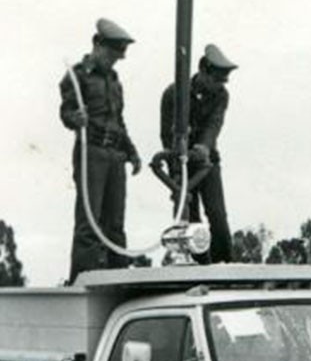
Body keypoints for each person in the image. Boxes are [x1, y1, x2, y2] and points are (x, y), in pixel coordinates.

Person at [59, 18, 142, 283]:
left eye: (118, 56)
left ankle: (118, 282)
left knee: (115, 225)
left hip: (115, 155)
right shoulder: (77, 75)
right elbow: (66, 112)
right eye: (112, 53)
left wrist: (131, 151)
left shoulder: (115, 81)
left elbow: (119, 120)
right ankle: (83, 282)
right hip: (91, 152)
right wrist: (75, 118)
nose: (114, 60)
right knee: (89, 224)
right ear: (98, 44)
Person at [158, 44, 238, 264]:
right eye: (215, 80)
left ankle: (225, 265)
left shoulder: (221, 95)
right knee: (191, 221)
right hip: (182, 165)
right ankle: (199, 266)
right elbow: (166, 135)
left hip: (206, 163)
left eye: (222, 81)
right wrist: (175, 172)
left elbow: (214, 124)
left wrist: (203, 147)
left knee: (217, 215)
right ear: (203, 70)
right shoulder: (173, 94)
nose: (218, 86)